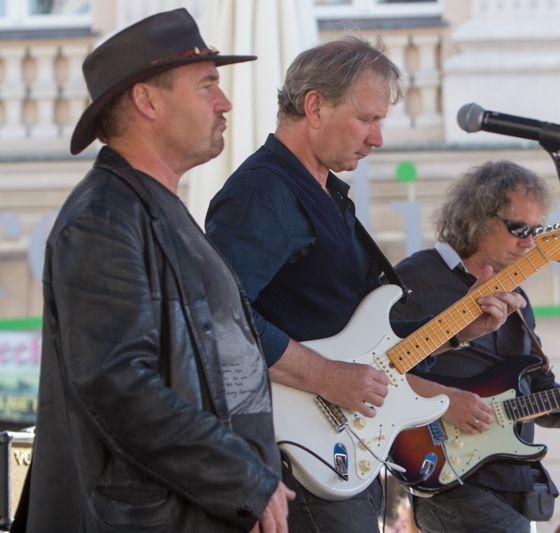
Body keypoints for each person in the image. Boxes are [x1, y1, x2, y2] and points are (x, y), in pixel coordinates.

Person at [204, 37, 523, 533]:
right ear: (314, 106)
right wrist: (324, 376)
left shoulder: (325, 193)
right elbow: (217, 317)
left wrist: (459, 328)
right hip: (294, 452)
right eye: (368, 119)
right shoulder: (263, 193)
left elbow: (372, 341)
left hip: (340, 454)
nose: (378, 138)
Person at [19, 9, 293, 533]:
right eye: (207, 84)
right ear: (147, 100)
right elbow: (118, 384)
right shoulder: (103, 217)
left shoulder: (152, 206)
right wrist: (243, 481)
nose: (225, 101)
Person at [389, 160, 560, 533]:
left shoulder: (517, 300)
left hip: (515, 483)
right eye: (519, 228)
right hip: (446, 476)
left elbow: (542, 399)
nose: (530, 241)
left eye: (536, 230)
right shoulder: (416, 278)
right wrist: (446, 400)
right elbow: (373, 370)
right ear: (476, 219)